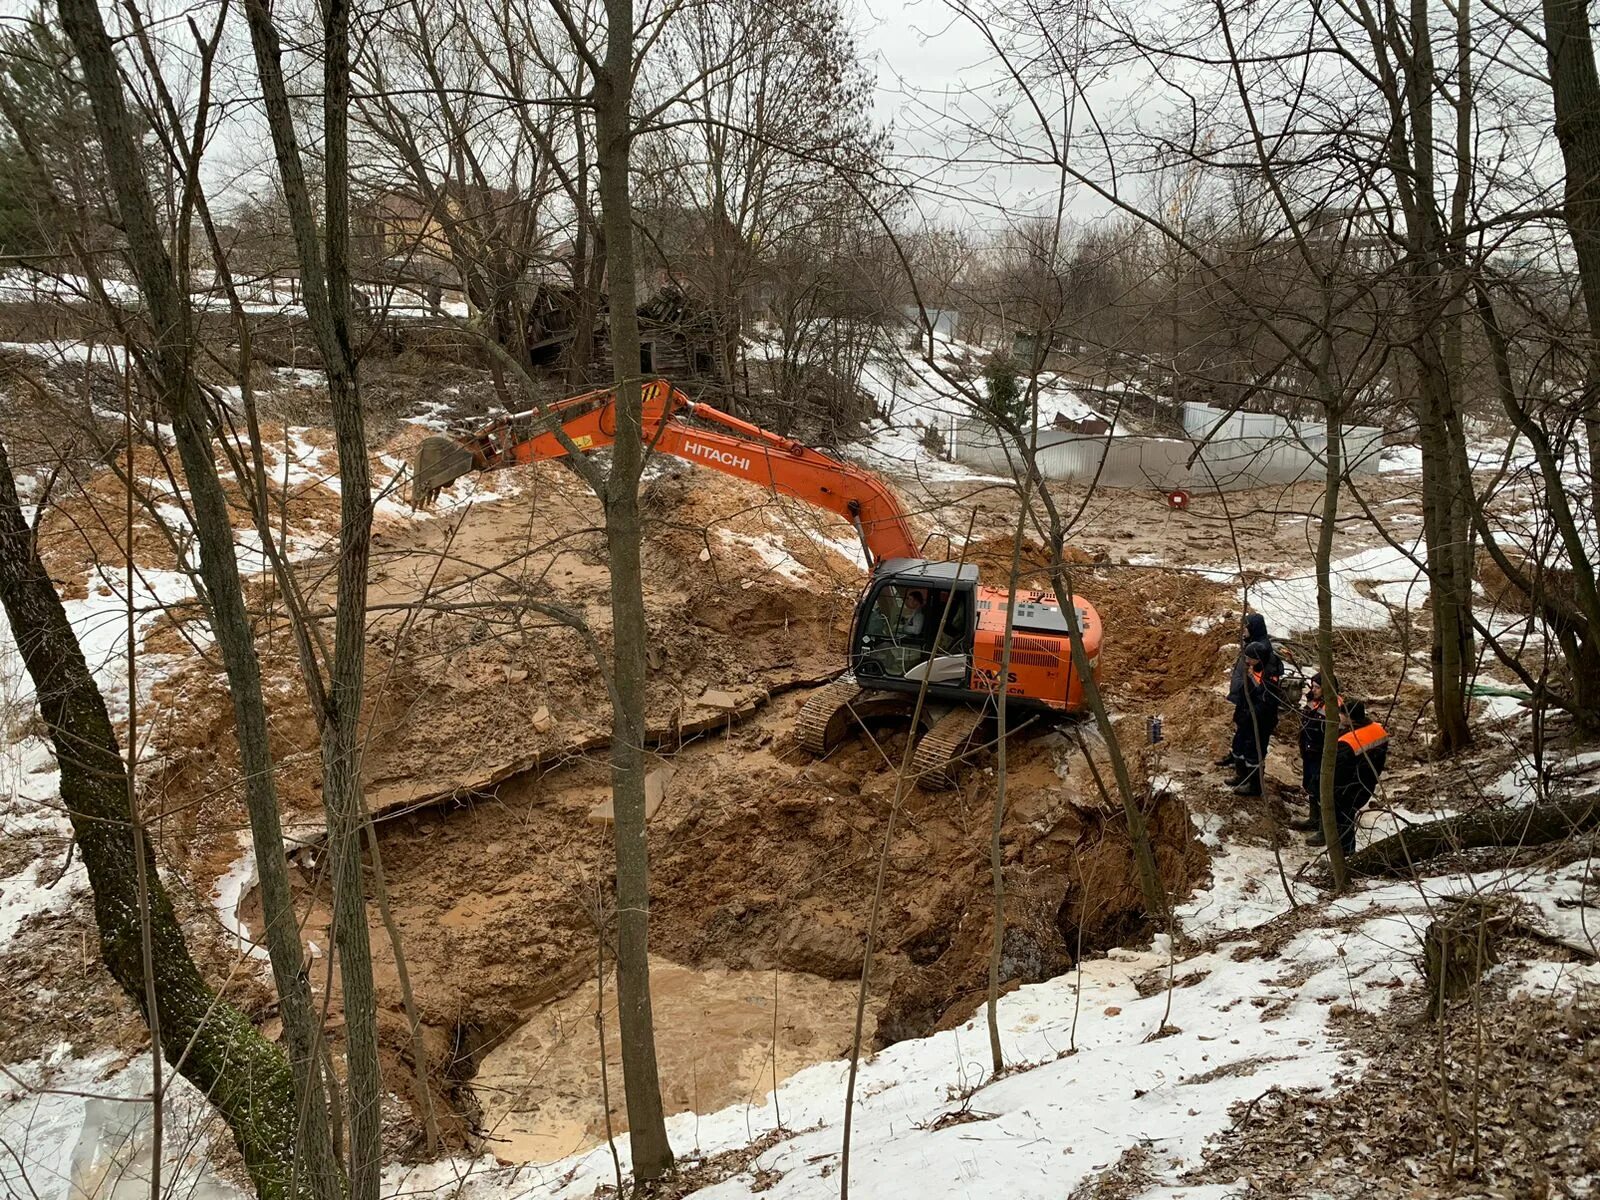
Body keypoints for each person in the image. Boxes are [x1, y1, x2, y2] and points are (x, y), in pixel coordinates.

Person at [1309, 700, 1389, 855]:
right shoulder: (1377, 730)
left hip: (1348, 786)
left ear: (1350, 717)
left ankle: (1345, 855)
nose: (1339, 716)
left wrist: (1319, 785)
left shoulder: (1348, 742)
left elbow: (1337, 771)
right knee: (1347, 817)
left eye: (1341, 714)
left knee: (1343, 819)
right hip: (1367, 782)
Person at [1216, 613, 1272, 768]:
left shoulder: (1263, 649)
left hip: (1252, 700)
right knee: (1240, 732)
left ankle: (1245, 771)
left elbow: (1262, 682)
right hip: (1243, 696)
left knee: (1249, 737)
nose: (1243, 630)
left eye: (1246, 627)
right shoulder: (1252, 644)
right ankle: (1236, 757)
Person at [1227, 640, 1283, 796]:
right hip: (1246, 717)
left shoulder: (1270, 676)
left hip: (1259, 721)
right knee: (1239, 746)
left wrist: (1250, 715)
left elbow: (1265, 703)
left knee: (1254, 751)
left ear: (1258, 659)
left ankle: (1254, 786)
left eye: (1250, 658)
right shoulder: (1254, 669)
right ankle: (1241, 776)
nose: (1247, 661)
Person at [1292, 672, 1330, 831]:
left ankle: (1324, 827)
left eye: (1317, 687)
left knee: (1319, 789)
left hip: (1320, 754)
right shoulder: (1314, 702)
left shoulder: (1333, 708)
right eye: (1312, 687)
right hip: (1309, 752)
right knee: (1310, 786)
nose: (1313, 690)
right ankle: (1314, 819)